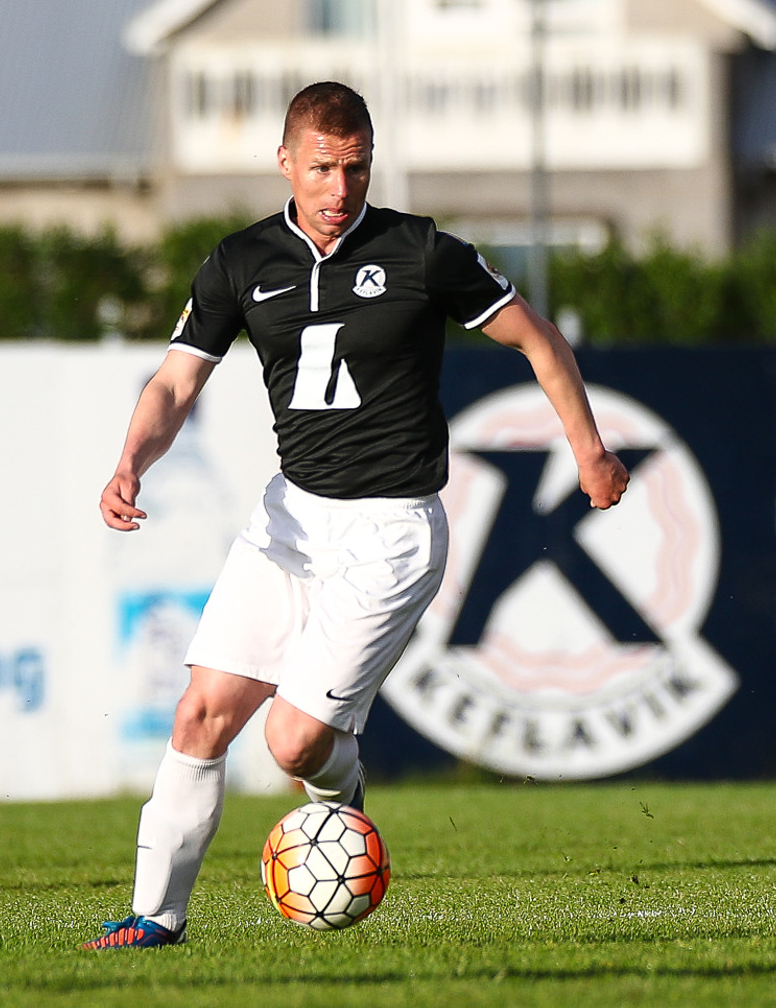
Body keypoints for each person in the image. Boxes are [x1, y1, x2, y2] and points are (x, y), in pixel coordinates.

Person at [82, 81, 628, 950]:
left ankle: (344, 808)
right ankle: (155, 919)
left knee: (294, 744)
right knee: (201, 714)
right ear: (285, 162)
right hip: (289, 520)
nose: (340, 189)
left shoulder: (422, 252)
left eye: (357, 167)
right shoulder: (239, 262)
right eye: (323, 168)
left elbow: (537, 337)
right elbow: (176, 382)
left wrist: (588, 449)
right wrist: (129, 463)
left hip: (392, 532)